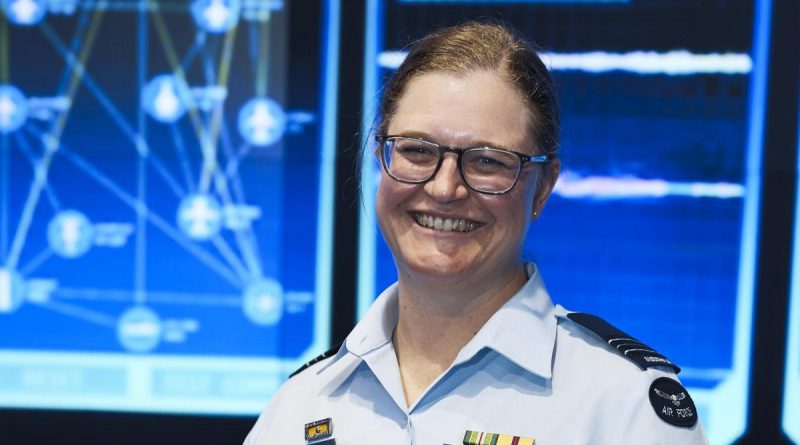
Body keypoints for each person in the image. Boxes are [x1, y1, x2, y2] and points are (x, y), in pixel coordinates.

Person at [245, 21, 709, 444]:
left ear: (542, 187)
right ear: (378, 156)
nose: (444, 188)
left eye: (488, 161)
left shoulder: (624, 407)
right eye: (416, 151)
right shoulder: (301, 405)